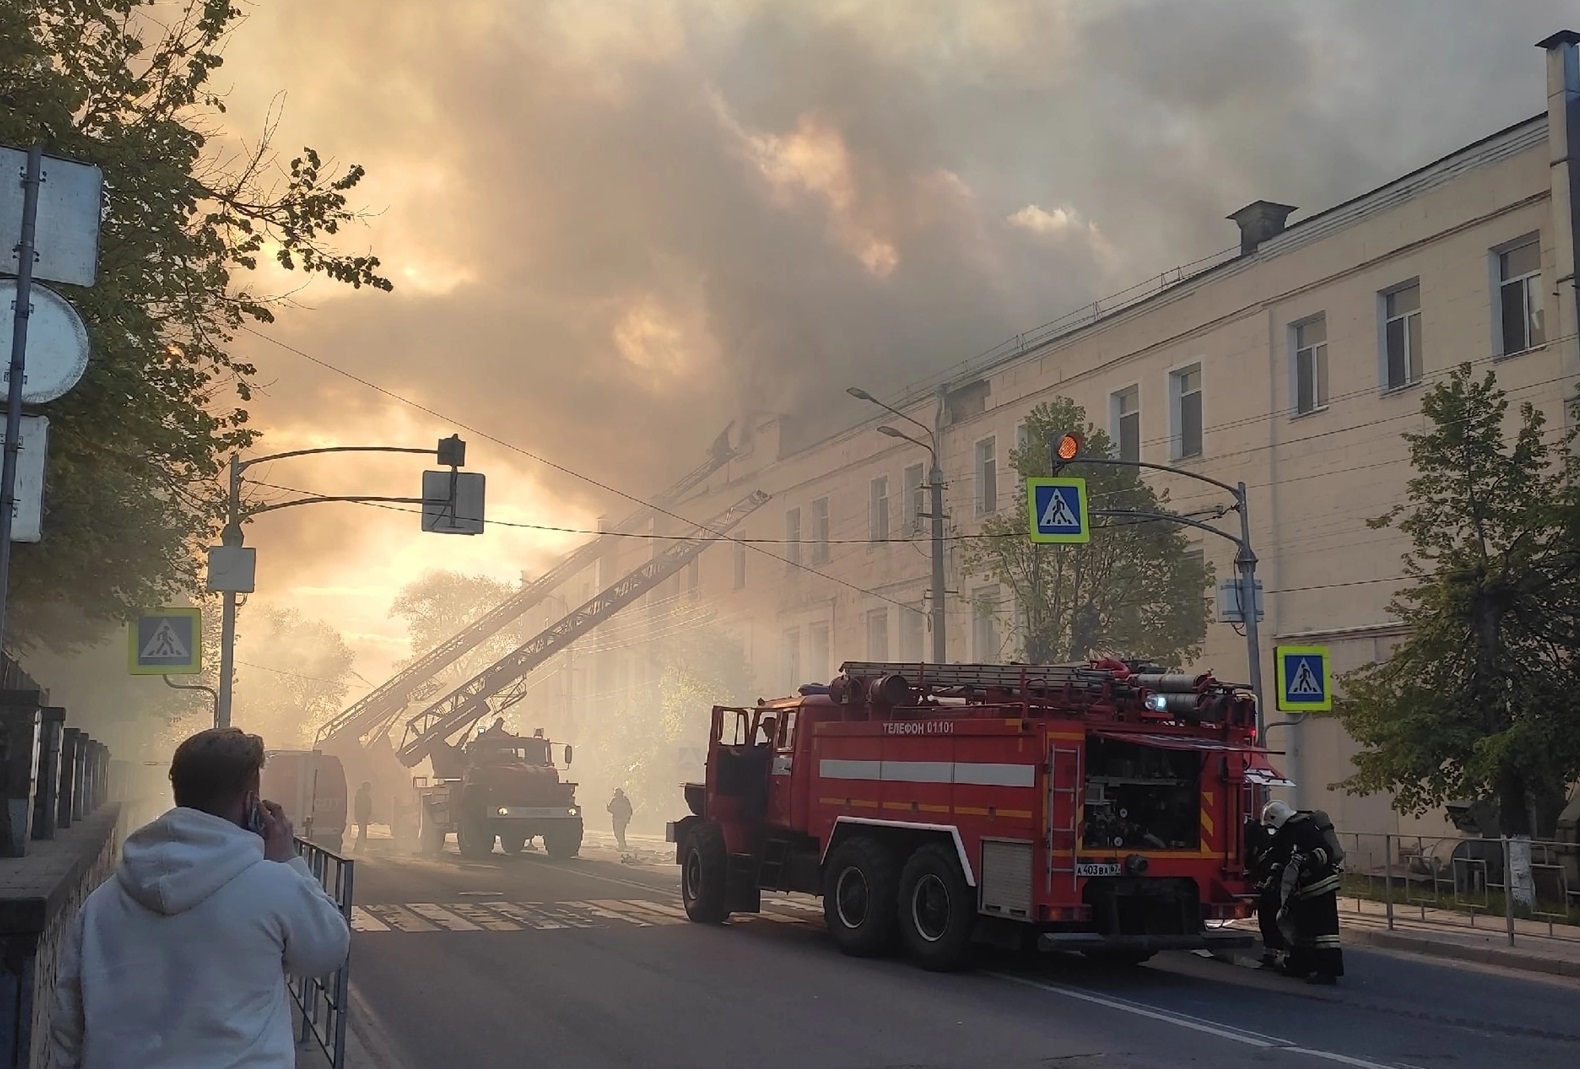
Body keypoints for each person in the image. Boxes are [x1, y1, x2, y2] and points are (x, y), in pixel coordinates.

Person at [49, 727, 351, 1068]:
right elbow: (328, 951)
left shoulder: (100, 903)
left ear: (179, 791)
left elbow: (68, 1027)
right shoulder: (273, 886)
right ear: (252, 803)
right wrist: (288, 859)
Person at [1260, 800, 1344, 985]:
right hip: (1302, 889)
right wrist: (1273, 876)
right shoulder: (1284, 833)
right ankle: (1300, 966)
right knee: (1302, 929)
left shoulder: (1305, 828)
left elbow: (1326, 852)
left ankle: (1328, 972)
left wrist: (1307, 859)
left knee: (1324, 933)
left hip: (1321, 885)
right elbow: (1280, 857)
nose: (1272, 829)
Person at [608, 788, 633, 852]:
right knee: (617, 833)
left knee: (620, 833)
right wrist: (608, 808)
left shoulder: (625, 800)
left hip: (622, 819)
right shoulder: (614, 800)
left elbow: (629, 810)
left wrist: (628, 818)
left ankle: (621, 845)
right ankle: (623, 844)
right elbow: (611, 810)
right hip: (616, 819)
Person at [353, 781, 373, 854]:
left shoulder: (361, 795)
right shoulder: (362, 796)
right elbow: (361, 807)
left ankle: (359, 848)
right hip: (362, 816)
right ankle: (359, 848)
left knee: (361, 832)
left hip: (362, 816)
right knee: (362, 832)